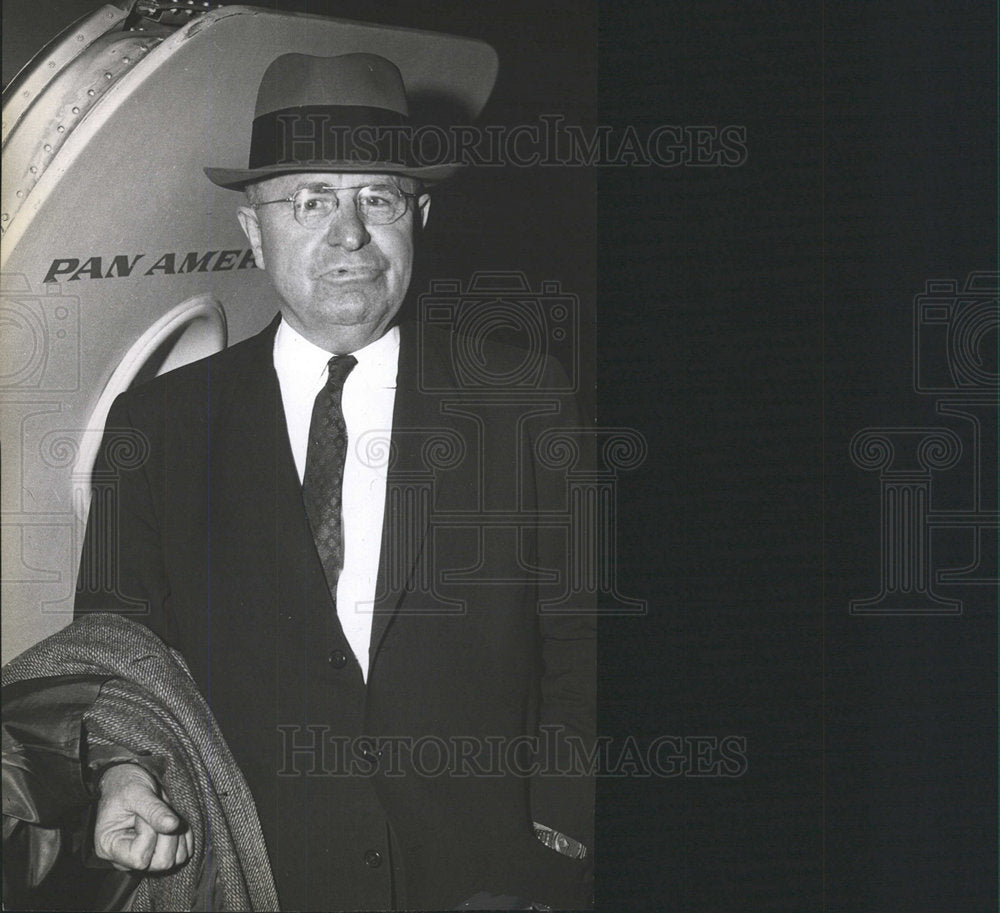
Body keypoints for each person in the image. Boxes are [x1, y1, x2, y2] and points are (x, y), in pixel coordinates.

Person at [74, 44, 595, 912]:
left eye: (377, 198)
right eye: (311, 200)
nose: (348, 235)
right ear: (253, 230)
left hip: (483, 876)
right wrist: (124, 769)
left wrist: (553, 844)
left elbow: (585, 640)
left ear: (418, 217)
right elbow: (116, 636)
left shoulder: (524, 399)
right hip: (253, 872)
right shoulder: (156, 423)